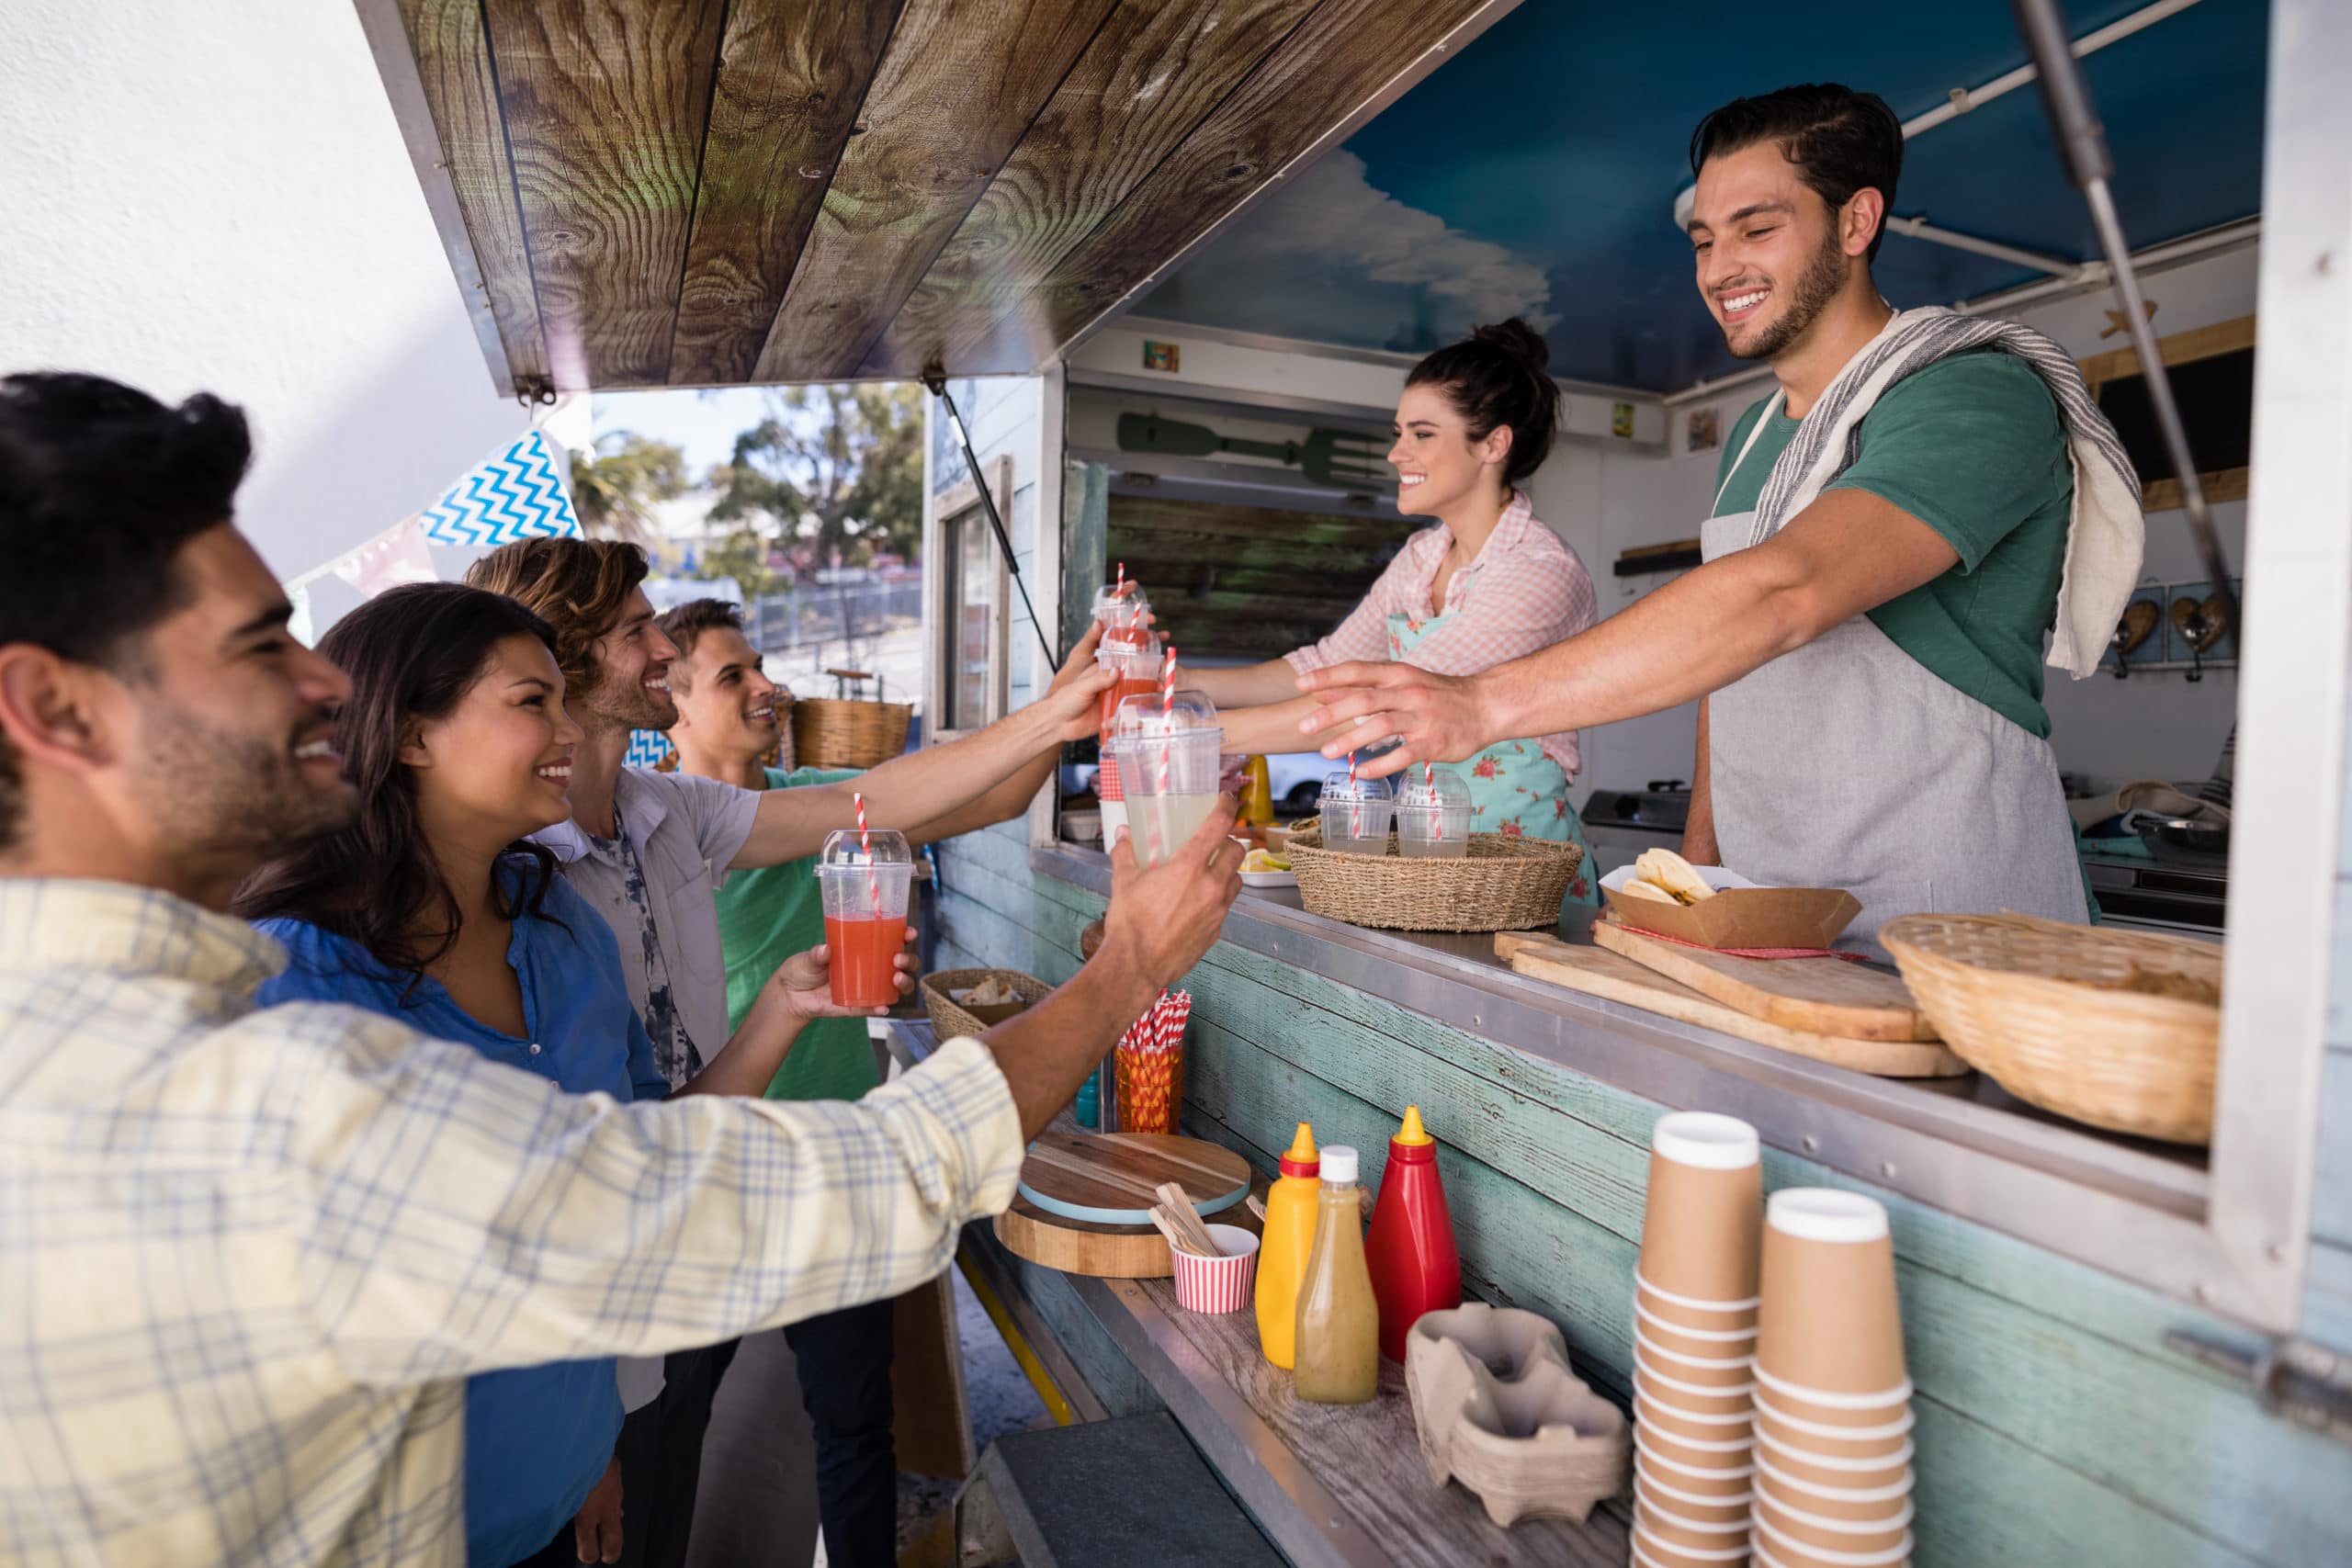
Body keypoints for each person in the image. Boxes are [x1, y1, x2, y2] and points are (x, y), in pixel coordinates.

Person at [0, 369, 1243, 1567]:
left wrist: (589, 1429)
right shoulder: (267, 1077)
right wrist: (1130, 957)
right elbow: (835, 1186)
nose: (324, 677)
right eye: (262, 642)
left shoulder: (539, 908)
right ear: (55, 710)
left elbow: (874, 810)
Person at [1295, 85, 2143, 953]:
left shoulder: (1974, 391)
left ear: (1857, 223)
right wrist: (1698, 874)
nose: (1718, 267)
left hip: (1953, 913)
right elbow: (1733, 677)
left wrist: (1480, 703)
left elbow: (1782, 595)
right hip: (1776, 911)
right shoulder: (1751, 439)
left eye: (1757, 228)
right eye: (1705, 240)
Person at [230, 583, 913, 1567]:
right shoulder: (290, 980)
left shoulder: (560, 931)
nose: (568, 725)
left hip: (553, 1498)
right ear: (413, 733)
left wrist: (782, 1013)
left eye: (562, 697)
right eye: (530, 703)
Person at [461, 536, 1110, 1566]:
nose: (664, 648)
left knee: (710, 1477)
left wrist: (1058, 709)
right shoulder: (506, 877)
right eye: (639, 631)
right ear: (564, 658)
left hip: (706, 1201)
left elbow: (887, 800)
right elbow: (528, 1178)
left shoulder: (659, 809)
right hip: (609, 1284)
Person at [654, 596, 1099, 1568]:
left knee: (855, 1423)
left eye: (760, 665)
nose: (767, 686)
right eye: (734, 676)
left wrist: (1064, 707)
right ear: (668, 701)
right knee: (669, 1416)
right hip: (711, 1168)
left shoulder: (823, 801)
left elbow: (983, 798)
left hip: (836, 1160)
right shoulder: (649, 843)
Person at [1175, 321, 1600, 898]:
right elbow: (1326, 665)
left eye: (1422, 434)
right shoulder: (1423, 556)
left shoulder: (1539, 571)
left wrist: (1201, 735)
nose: (1397, 452)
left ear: (1493, 445)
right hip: (1431, 857)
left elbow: (1389, 709)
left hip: (1525, 868)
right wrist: (1179, 681)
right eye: (1399, 432)